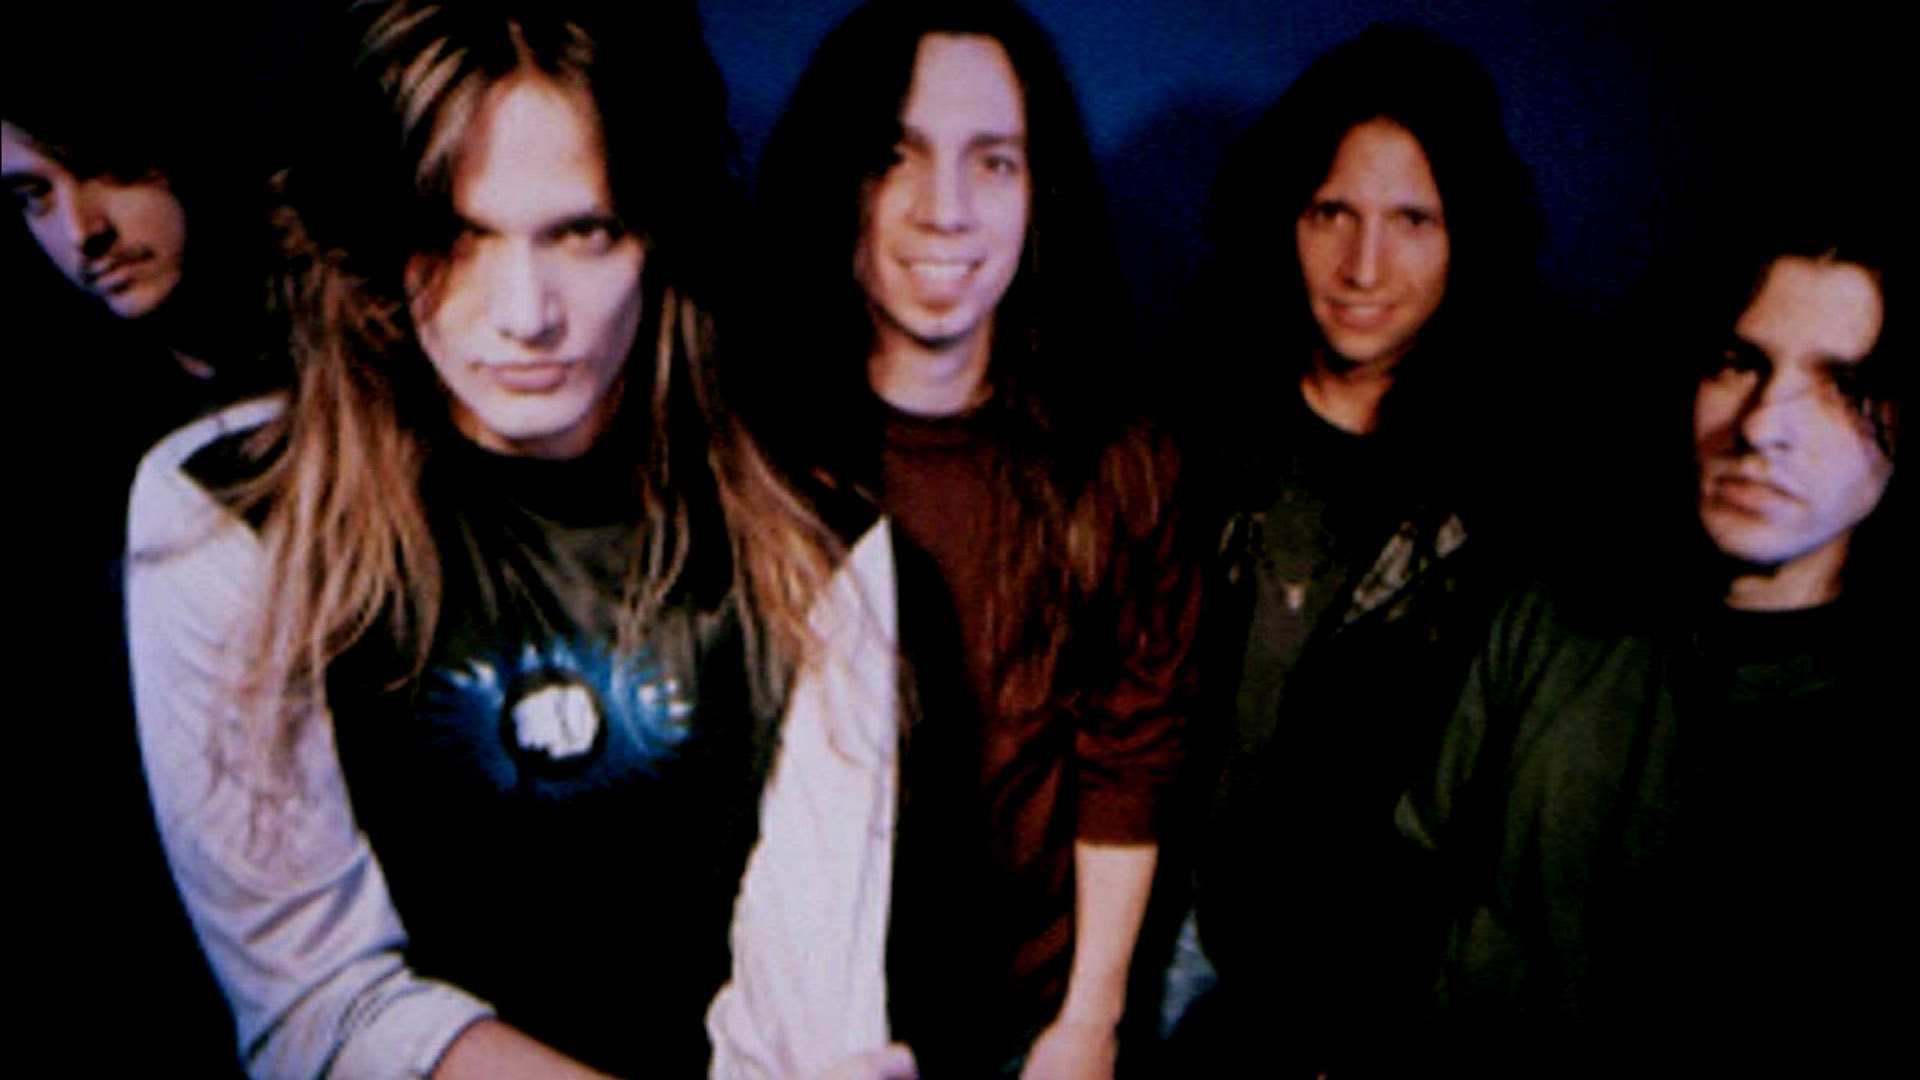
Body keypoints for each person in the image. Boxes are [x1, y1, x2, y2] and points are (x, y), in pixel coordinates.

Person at [127, 2, 831, 1076]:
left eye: (583, 231)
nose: (526, 313)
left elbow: (811, 1003)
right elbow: (318, 1008)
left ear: (658, 230)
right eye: (456, 236)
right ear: (372, 238)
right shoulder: (226, 516)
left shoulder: (810, 531)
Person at [716, 2, 1203, 1076]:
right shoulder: (744, 450)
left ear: (1039, 192)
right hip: (793, 1030)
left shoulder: (1120, 461)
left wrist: (1088, 1024)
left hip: (1026, 1026)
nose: (946, 211)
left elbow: (1131, 755)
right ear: (839, 178)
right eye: (897, 155)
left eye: (994, 162)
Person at [1399, 204, 1906, 1074]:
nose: (1763, 425)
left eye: (1841, 384)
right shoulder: (1550, 618)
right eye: (1739, 363)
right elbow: (1408, 885)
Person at [1176, 25, 1539, 1075]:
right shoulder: (1187, 429)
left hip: (1362, 996)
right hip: (1156, 930)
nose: (1363, 266)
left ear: (1467, 234)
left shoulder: (1521, 492)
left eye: (1412, 220)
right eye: (1331, 212)